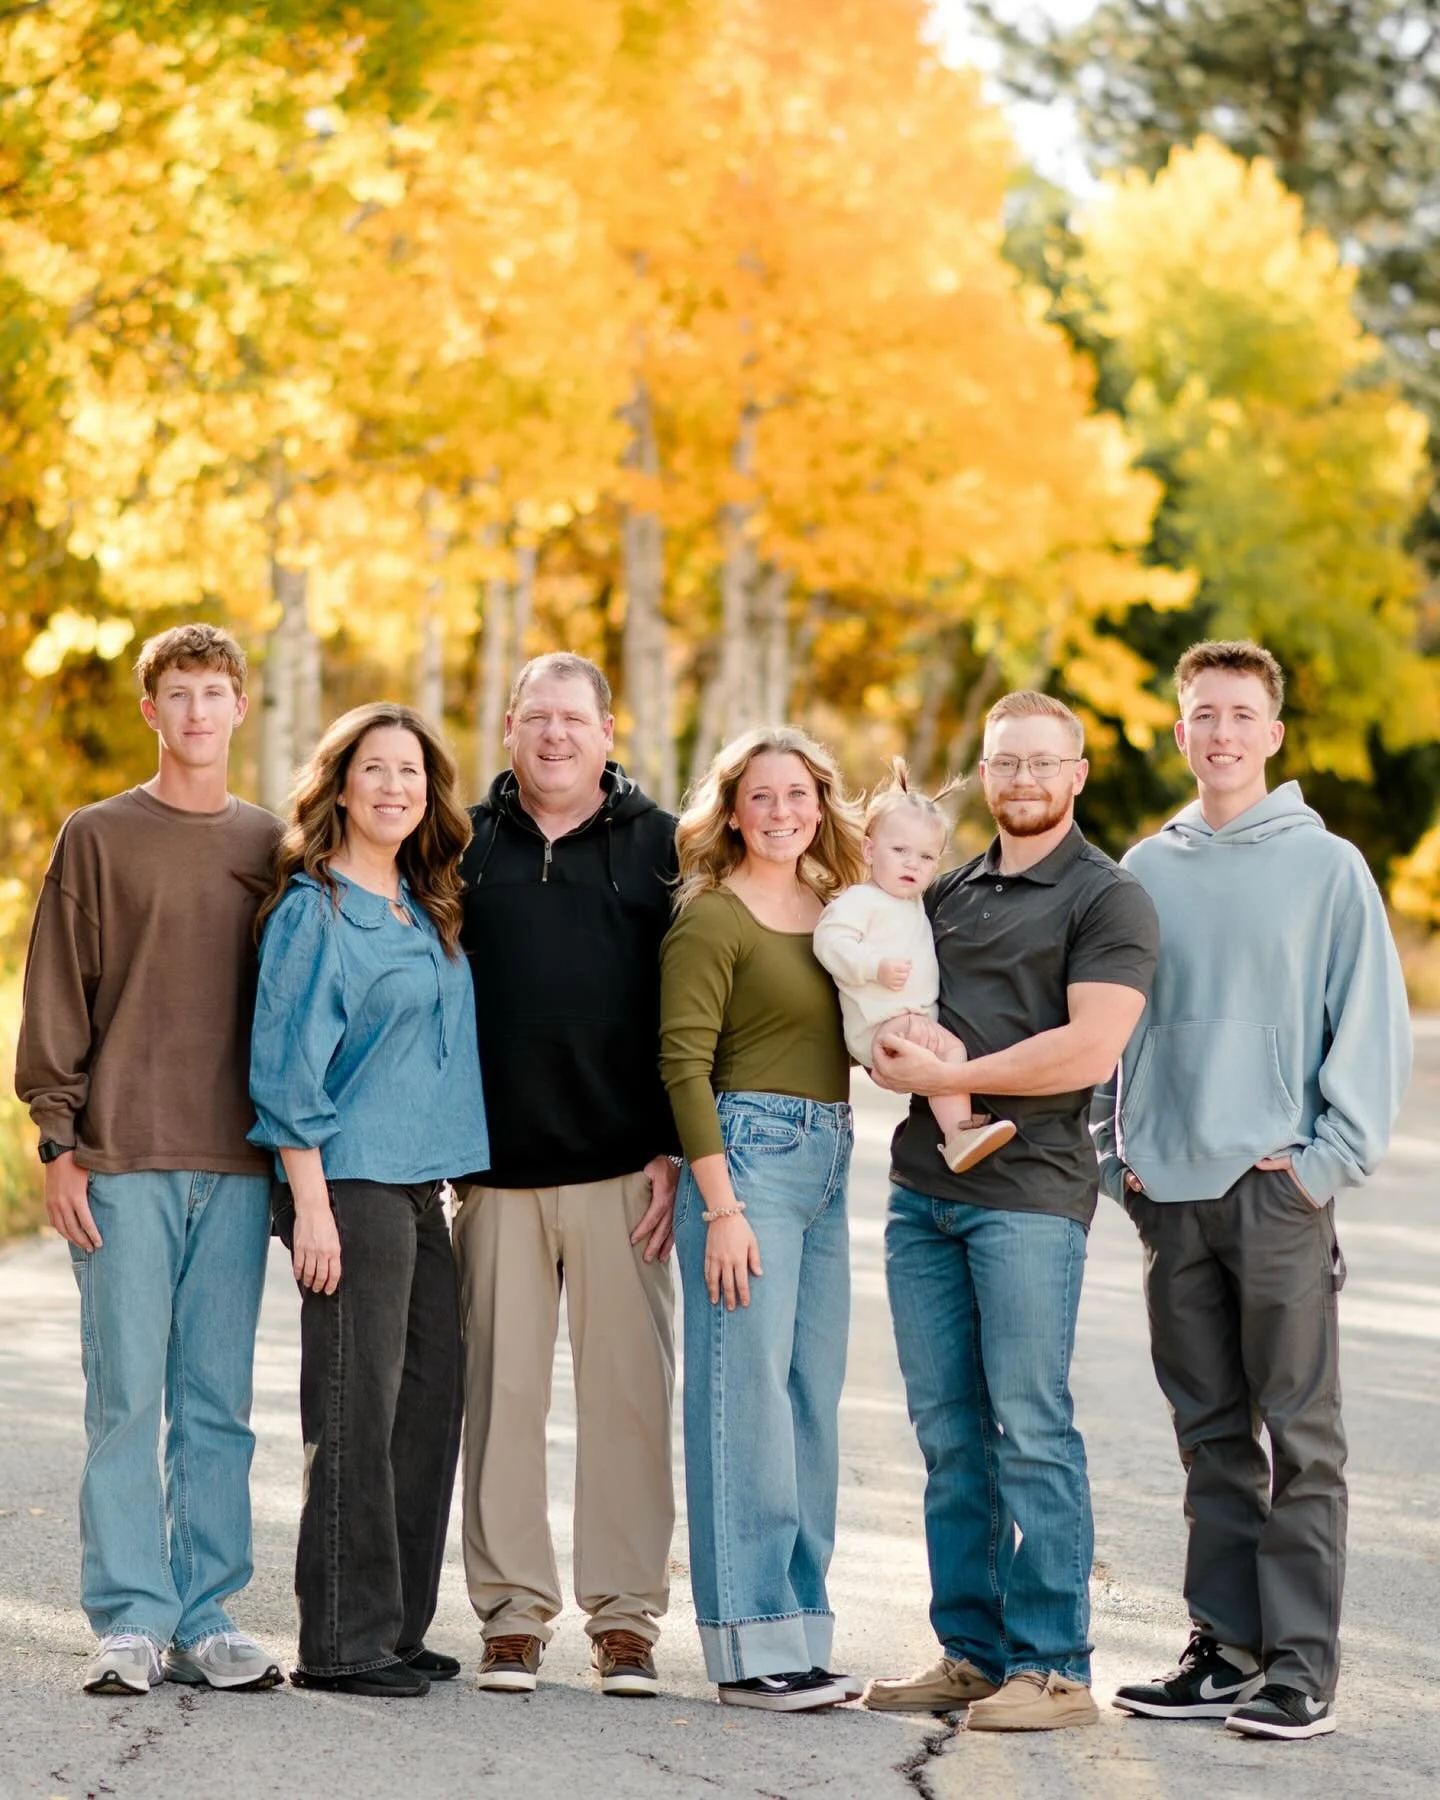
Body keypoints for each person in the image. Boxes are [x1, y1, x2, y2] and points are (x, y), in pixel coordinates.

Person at [1094, 641, 1411, 1742]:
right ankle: (1224, 1649)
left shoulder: (1328, 869)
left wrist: (1324, 1164)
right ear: (1178, 733)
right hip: (1167, 1194)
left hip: (1277, 1190)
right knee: (1209, 1435)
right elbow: (1108, 1028)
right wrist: (1113, 1158)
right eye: (1202, 714)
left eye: (1240, 713)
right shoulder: (1143, 867)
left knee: (1301, 1436)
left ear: (1273, 734)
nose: (1221, 732)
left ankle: (1302, 1670)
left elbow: (1367, 1030)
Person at [862, 690, 1159, 1731]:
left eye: (1042, 763)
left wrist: (963, 1076)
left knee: (1030, 1424)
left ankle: (1057, 1668)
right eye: (1003, 764)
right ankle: (973, 1651)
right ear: (983, 775)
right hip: (922, 1196)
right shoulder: (946, 889)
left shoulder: (1107, 898)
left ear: (1078, 774)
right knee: (949, 1434)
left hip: (1028, 1197)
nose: (1022, 781)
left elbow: (1091, 1048)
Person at [14, 623, 284, 1698]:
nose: (199, 712)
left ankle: (208, 1614)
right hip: (120, 1158)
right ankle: (130, 1616)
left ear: (240, 709)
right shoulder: (97, 836)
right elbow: (56, 995)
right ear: (151, 710)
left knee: (216, 1401)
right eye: (180, 693)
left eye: (217, 692)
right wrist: (57, 1142)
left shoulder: (273, 844)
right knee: (125, 1396)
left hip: (238, 1163)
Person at [248, 702, 489, 1698]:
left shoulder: (421, 906)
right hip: (347, 1184)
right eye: (376, 769)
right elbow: (282, 1069)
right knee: (354, 1410)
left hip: (419, 1184)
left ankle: (395, 1627)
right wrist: (309, 1207)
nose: (396, 787)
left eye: (414, 774)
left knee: (428, 1403)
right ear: (339, 784)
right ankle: (340, 1641)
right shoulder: (318, 910)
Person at [453, 652, 680, 1698]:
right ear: (508, 726)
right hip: (493, 1175)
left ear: (607, 727)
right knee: (498, 1402)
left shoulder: (665, 846)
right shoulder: (457, 845)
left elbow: (694, 1008)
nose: (554, 736)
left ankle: (626, 1619)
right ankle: (509, 1615)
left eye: (572, 719)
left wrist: (681, 1147)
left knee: (627, 1402)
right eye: (535, 717)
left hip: (624, 1176)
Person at [660, 724, 867, 1712]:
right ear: (732, 812)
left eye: (800, 795)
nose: (784, 812)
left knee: (806, 1402)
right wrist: (723, 1206)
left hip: (829, 1162)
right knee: (742, 1401)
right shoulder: (713, 919)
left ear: (820, 805)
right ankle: (747, 1646)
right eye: (763, 797)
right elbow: (682, 1066)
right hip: (747, 1165)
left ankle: (801, 1630)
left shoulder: (836, 913)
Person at [813, 759, 1013, 1174]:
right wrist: (874, 967)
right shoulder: (860, 900)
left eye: (925, 857)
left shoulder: (913, 904)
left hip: (909, 1020)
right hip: (879, 1026)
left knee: (953, 1051)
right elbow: (829, 943)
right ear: (869, 850)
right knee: (941, 1051)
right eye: (899, 851)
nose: (912, 864)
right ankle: (958, 1134)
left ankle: (957, 1131)